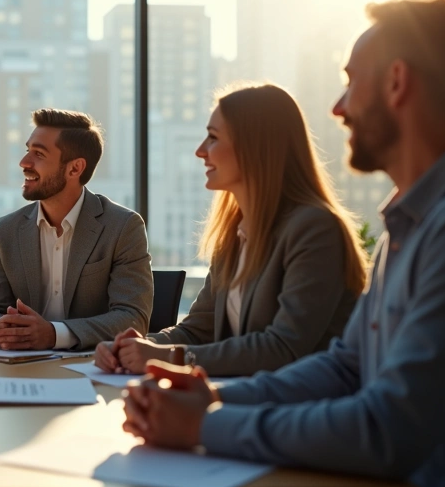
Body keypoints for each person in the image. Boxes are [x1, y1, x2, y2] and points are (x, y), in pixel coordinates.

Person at [122, 0, 445, 487]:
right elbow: (347, 368)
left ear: (396, 83)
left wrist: (204, 424)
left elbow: (389, 428)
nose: (338, 107)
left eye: (350, 82)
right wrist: (212, 397)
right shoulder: (416, 221)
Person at [95, 84, 366, 376]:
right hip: (247, 402)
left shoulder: (314, 229)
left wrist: (168, 357)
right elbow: (197, 331)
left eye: (213, 137)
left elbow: (284, 349)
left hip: (300, 411)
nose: (200, 151)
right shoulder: (234, 234)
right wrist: (131, 348)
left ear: (254, 147)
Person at [0, 109, 153, 351]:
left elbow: (132, 318)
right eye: (27, 150)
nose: (24, 163)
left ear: (75, 169)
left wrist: (54, 335)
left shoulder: (122, 227)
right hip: (20, 369)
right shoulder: (6, 230)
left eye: (39, 154)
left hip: (91, 372)